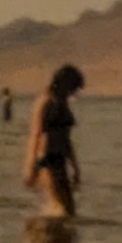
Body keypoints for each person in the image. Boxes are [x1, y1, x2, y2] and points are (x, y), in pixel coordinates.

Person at [22, 64, 85, 218]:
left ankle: (49, 231)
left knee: (69, 211)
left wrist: (75, 167)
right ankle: (39, 231)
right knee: (59, 208)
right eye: (73, 88)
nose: (74, 92)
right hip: (46, 160)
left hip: (60, 160)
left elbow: (66, 138)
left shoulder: (62, 103)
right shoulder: (45, 102)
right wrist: (30, 166)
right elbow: (35, 134)